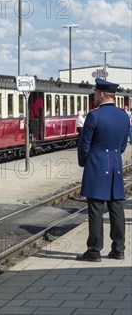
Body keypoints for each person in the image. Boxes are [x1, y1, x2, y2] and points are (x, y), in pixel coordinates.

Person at [76, 78, 129, 262]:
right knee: (116, 208)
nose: (94, 97)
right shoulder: (124, 116)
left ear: (101, 94)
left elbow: (84, 145)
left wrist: (85, 162)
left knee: (96, 210)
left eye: (95, 94)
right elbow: (123, 145)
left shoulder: (94, 116)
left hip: (97, 166)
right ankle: (119, 249)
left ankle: (94, 251)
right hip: (115, 165)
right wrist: (114, 154)